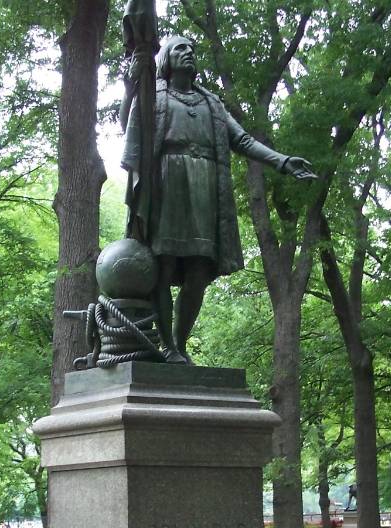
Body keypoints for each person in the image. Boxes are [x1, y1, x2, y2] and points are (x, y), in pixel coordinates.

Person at [123, 35, 315, 364]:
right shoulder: (155, 95)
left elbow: (242, 140)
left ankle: (180, 345)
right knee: (163, 264)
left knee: (199, 270)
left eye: (192, 49)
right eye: (180, 48)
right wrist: (132, 85)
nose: (189, 53)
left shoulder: (211, 103)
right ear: (166, 58)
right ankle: (167, 346)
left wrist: (281, 161)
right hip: (168, 181)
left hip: (205, 187)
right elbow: (130, 123)